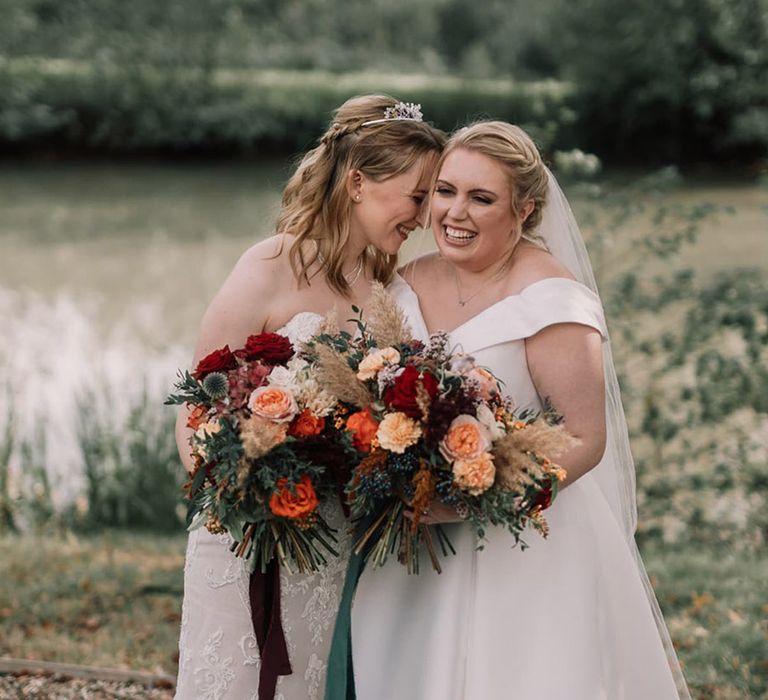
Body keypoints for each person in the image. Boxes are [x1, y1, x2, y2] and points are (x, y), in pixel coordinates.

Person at [349, 122, 691, 699]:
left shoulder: (552, 301)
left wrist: (472, 501)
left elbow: (584, 438)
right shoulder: (403, 280)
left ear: (525, 210)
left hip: (524, 546)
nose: (455, 212)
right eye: (445, 190)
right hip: (412, 547)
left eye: (482, 198)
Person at [173, 95, 444, 700]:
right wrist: (236, 490)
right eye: (418, 196)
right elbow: (198, 397)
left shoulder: (382, 292)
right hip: (246, 531)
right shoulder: (271, 263)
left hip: (328, 539)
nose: (424, 218)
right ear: (356, 182)